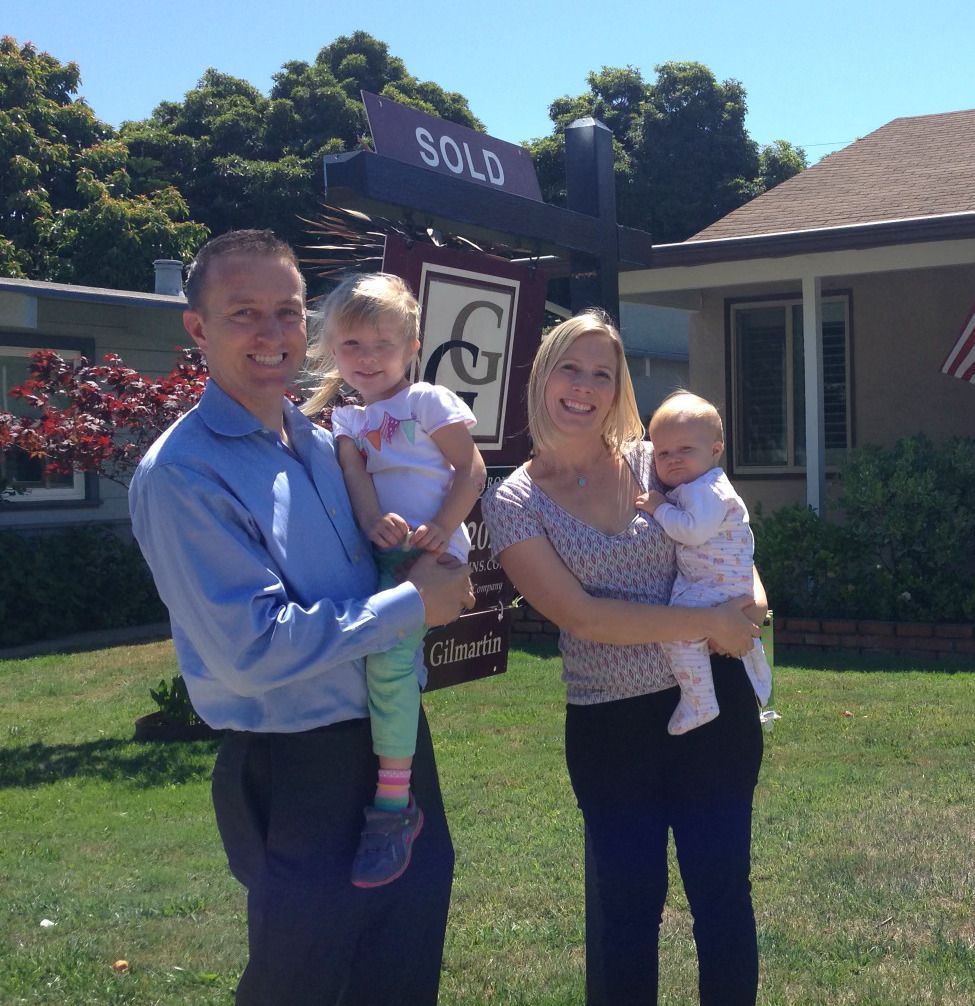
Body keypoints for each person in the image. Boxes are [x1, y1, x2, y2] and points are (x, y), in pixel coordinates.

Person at [128, 230, 474, 1006]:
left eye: (286, 312)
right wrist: (414, 603)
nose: (272, 333)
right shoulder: (184, 475)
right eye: (243, 312)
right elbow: (252, 649)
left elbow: (397, 545)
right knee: (303, 982)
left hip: (395, 751)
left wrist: (424, 563)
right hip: (296, 772)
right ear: (198, 329)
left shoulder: (325, 445)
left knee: (402, 968)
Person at [481, 309, 767, 1006]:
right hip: (610, 730)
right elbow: (583, 617)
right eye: (569, 369)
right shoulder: (514, 501)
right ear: (543, 378)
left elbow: (729, 534)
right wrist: (707, 621)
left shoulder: (657, 461)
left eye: (601, 375)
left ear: (618, 390)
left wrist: (750, 600)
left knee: (721, 899)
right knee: (627, 914)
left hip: (711, 714)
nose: (583, 388)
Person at [302, 272, 486, 888]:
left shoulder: (428, 402)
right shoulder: (347, 424)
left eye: (382, 344)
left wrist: (440, 525)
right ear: (332, 352)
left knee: (386, 665)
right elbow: (359, 489)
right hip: (385, 549)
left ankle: (393, 804)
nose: (367, 358)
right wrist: (371, 521)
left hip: (434, 549)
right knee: (376, 657)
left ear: (411, 347)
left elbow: (471, 470)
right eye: (351, 346)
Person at [634, 390, 772, 735]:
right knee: (700, 632)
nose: (673, 460)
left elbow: (692, 532)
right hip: (716, 581)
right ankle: (746, 678)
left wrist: (658, 507)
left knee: (678, 631)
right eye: (663, 453)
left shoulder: (706, 490)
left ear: (715, 450)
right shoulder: (701, 484)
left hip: (715, 586)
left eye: (685, 450)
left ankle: (700, 701)